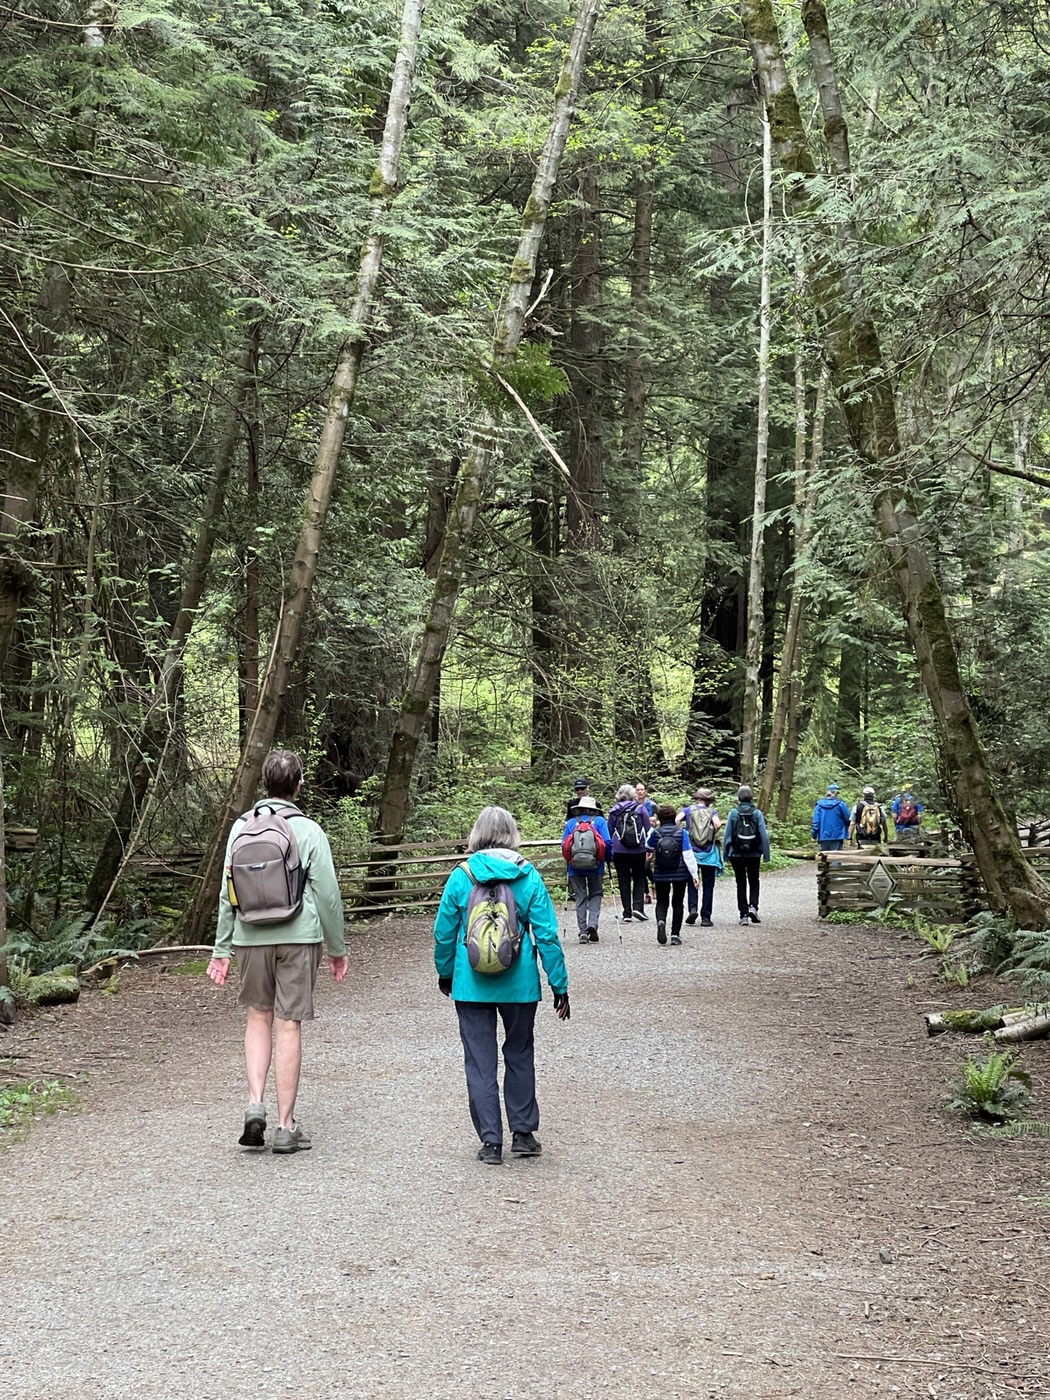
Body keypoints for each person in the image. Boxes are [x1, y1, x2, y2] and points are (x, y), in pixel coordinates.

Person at [206, 749, 348, 1155]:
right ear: (298, 785)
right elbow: (328, 895)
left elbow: (227, 893)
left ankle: (255, 1104)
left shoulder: (241, 828)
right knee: (288, 1025)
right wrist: (337, 948)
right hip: (299, 937)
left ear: (264, 784)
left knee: (258, 1017)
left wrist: (221, 948)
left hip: (250, 936)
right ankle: (286, 1127)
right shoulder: (309, 830)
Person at [433, 805, 570, 1165]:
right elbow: (547, 936)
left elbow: (444, 933)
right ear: (512, 834)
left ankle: (491, 1142)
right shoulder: (528, 876)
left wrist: (445, 973)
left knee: (480, 1062)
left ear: (477, 834)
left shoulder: (462, 876)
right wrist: (559, 984)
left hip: (470, 984)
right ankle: (523, 1134)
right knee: (519, 1053)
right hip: (519, 985)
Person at [646, 803, 700, 945]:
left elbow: (647, 845)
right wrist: (694, 875)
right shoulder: (682, 833)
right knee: (678, 902)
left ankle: (661, 921)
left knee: (662, 901)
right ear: (674, 817)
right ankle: (675, 934)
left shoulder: (656, 833)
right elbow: (688, 855)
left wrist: (652, 828)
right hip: (679, 873)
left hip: (661, 872)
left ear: (659, 818)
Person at [561, 795, 612, 943]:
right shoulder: (600, 821)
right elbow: (607, 843)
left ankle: (582, 931)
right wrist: (608, 859)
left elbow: (564, 845)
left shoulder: (571, 823)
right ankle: (592, 924)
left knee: (580, 896)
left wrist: (569, 860)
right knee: (595, 894)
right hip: (596, 865)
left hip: (574, 867)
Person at [723, 784, 771, 927]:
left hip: (736, 853)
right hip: (754, 853)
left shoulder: (733, 813)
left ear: (739, 797)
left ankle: (743, 914)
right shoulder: (757, 813)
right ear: (751, 797)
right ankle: (753, 907)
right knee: (754, 880)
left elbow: (727, 835)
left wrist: (726, 854)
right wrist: (766, 854)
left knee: (741, 883)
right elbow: (763, 835)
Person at [677, 788, 723, 926]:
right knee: (708, 885)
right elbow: (717, 824)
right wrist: (712, 834)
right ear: (707, 800)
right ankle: (706, 917)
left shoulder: (688, 810)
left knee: (692, 881)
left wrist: (683, 833)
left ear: (697, 799)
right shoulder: (711, 812)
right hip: (709, 853)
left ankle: (693, 909)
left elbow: (676, 820)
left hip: (692, 852)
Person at [607, 782, 652, 921]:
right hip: (638, 849)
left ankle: (627, 913)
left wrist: (609, 854)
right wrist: (649, 848)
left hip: (619, 850)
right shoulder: (640, 808)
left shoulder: (614, 811)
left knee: (623, 880)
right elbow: (648, 828)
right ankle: (638, 908)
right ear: (633, 794)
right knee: (639, 878)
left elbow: (609, 832)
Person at [811, 782, 852, 851]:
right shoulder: (840, 805)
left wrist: (814, 835)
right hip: (837, 836)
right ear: (835, 793)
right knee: (836, 856)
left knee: (824, 856)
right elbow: (847, 819)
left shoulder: (819, 806)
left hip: (823, 836)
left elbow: (815, 823)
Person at [635, 781, 657, 904]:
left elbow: (662, 818)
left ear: (645, 791)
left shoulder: (652, 805)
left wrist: (655, 822)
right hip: (636, 838)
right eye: (638, 790)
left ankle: (648, 890)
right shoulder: (633, 804)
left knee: (644, 865)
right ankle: (650, 888)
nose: (640, 792)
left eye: (642, 789)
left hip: (649, 838)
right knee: (641, 866)